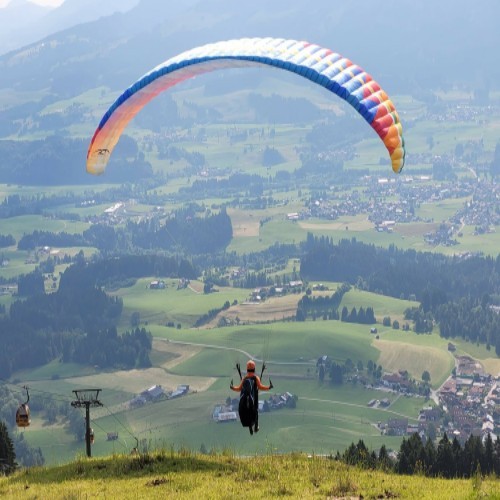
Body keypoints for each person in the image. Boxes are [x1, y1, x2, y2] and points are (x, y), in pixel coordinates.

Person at [230, 360, 273, 435]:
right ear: (254, 369)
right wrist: (269, 387)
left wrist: (232, 388)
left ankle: (250, 427)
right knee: (255, 411)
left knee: (248, 410)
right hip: (254, 398)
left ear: (247, 369)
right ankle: (256, 426)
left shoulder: (245, 378)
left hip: (246, 399)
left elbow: (239, 388)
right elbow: (260, 387)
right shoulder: (255, 378)